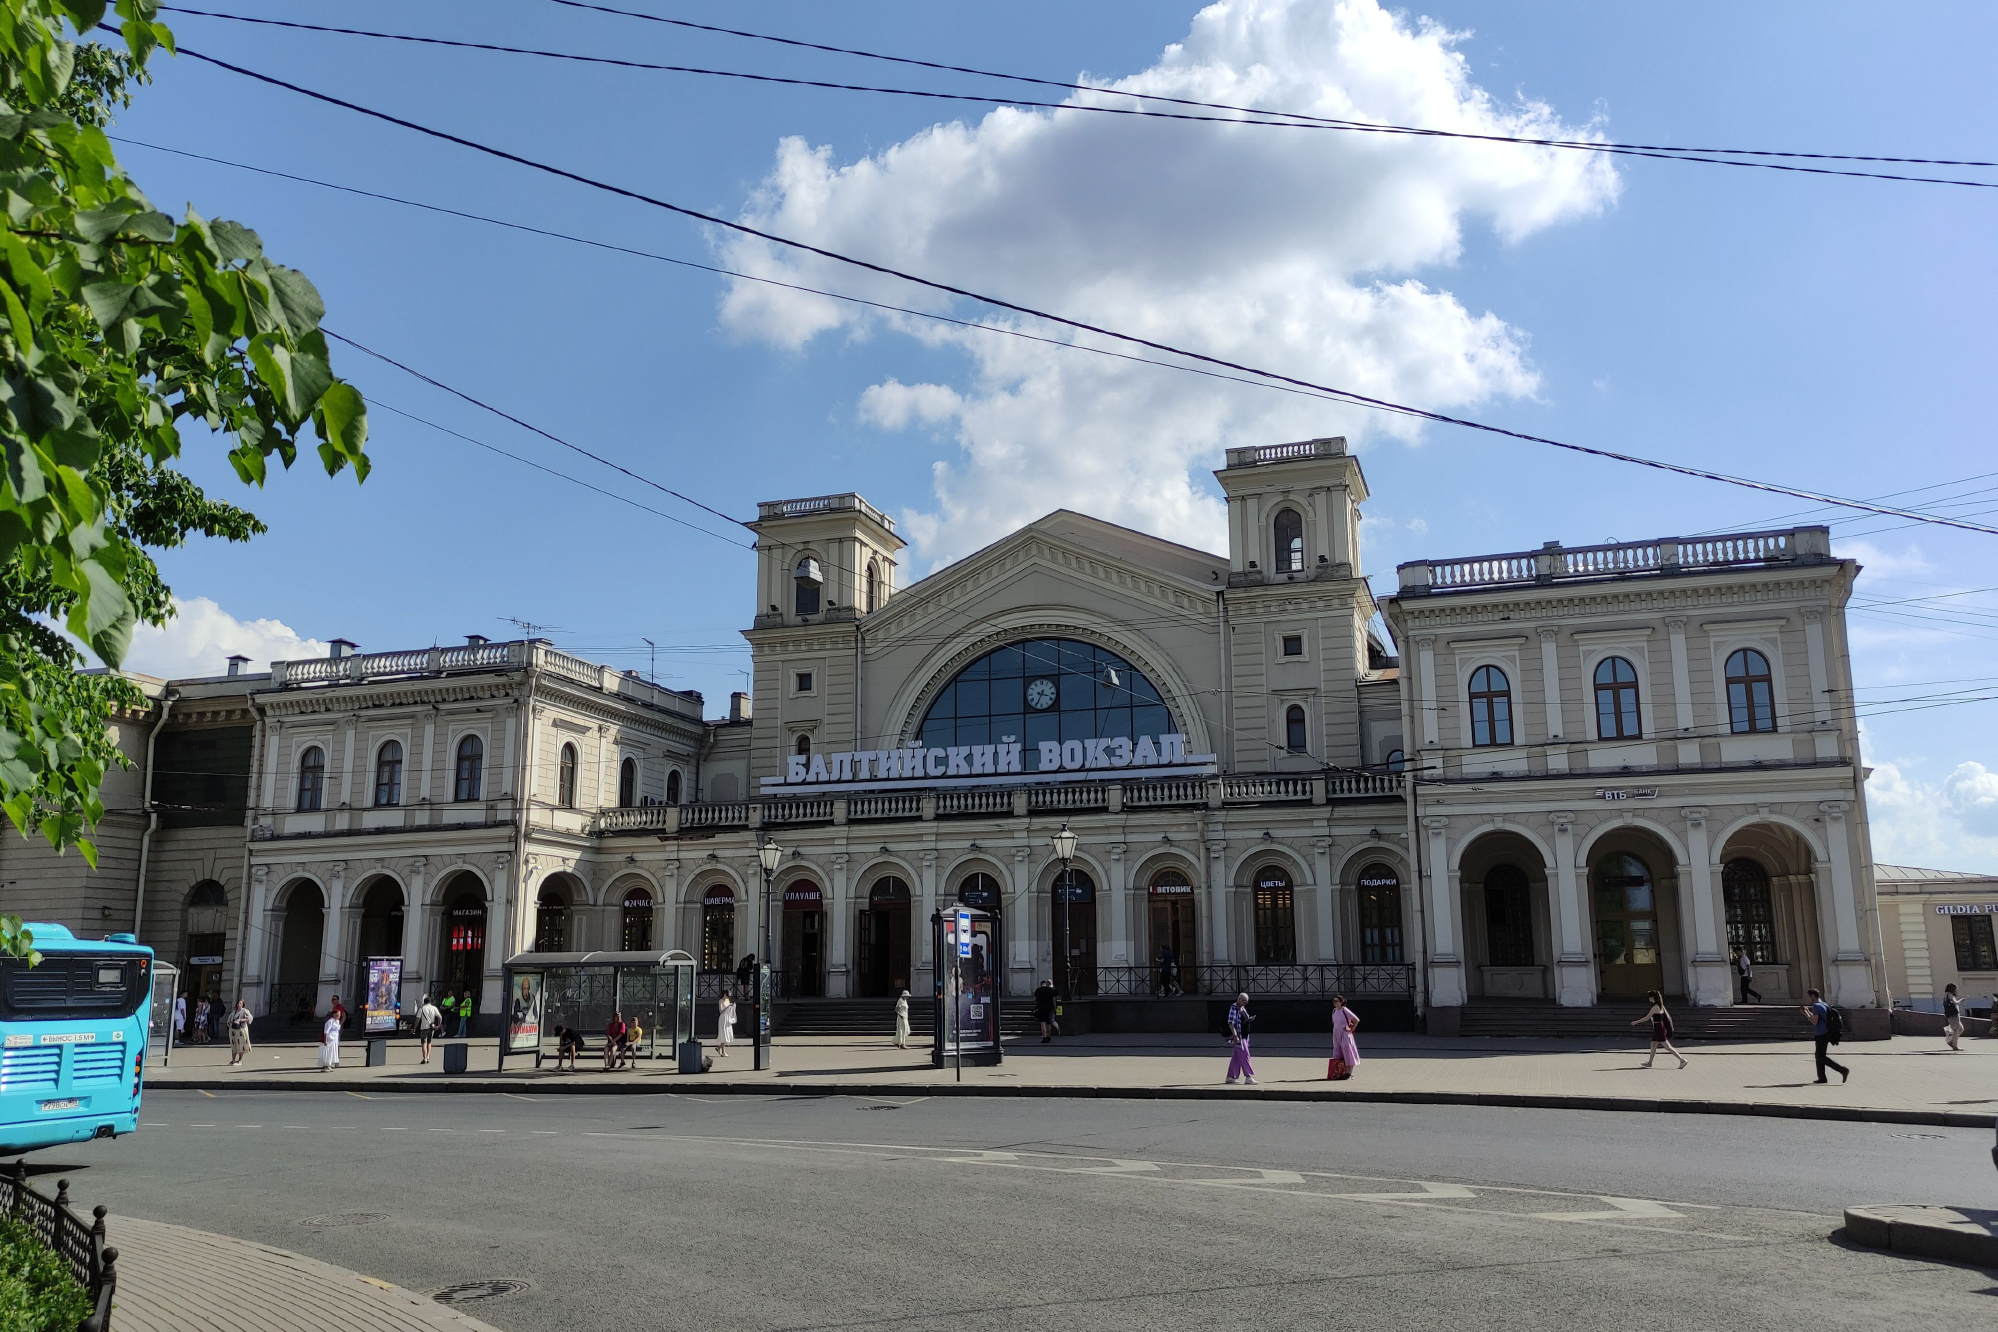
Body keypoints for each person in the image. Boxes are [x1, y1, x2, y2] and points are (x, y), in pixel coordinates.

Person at [1631, 990, 1688, 1069]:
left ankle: (1682, 1060)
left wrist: (1636, 1022)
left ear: (1652, 997)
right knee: (1653, 1044)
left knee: (1667, 1047)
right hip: (1659, 1027)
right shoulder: (1661, 1006)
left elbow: (1647, 1017)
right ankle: (1649, 1062)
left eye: (1649, 997)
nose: (1649, 999)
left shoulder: (1655, 1007)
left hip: (1659, 1028)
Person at [1802, 988, 1849, 1084]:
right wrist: (1808, 1012)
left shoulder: (1816, 1006)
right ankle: (1822, 1077)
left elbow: (1815, 1021)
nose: (1809, 999)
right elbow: (1818, 1018)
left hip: (1821, 1034)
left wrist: (1805, 1014)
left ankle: (1842, 1070)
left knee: (1820, 1057)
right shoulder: (1824, 1004)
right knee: (1819, 1056)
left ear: (1813, 996)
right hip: (1827, 1032)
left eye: (1809, 997)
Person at [1328, 994, 1361, 1080]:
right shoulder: (1334, 1011)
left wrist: (1350, 1029)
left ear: (1341, 1002)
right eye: (1333, 1001)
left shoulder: (1344, 1010)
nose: (1334, 1003)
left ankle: (1349, 1072)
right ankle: (1340, 1071)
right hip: (1336, 1034)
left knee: (1347, 1051)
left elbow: (1356, 1020)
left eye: (1336, 1001)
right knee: (1338, 1052)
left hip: (1345, 1034)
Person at [1225, 992, 1256, 1085]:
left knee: (1236, 1058)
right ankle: (1248, 1077)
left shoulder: (1242, 1008)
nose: (1245, 1003)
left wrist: (1249, 1019)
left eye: (1246, 1002)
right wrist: (1235, 1035)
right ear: (1239, 999)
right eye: (1244, 1001)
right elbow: (1231, 1023)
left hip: (1245, 1036)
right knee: (1245, 1056)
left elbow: (1243, 1020)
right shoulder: (1234, 1008)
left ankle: (1230, 1077)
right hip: (1239, 1037)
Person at [414, 994, 444, 1064]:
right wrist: (438, 1026)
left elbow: (417, 1019)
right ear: (430, 1002)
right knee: (429, 1043)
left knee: (423, 1043)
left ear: (424, 1002)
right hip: (432, 1027)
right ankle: (428, 1057)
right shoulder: (434, 1008)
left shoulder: (422, 1008)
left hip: (424, 1027)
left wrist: (414, 1028)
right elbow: (440, 1017)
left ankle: (424, 1059)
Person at [227, 998, 254, 1066]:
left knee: (241, 1045)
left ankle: (240, 1060)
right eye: (238, 1003)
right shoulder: (234, 1012)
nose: (239, 1005)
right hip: (233, 1031)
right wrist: (230, 1022)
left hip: (241, 1030)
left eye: (240, 1003)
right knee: (234, 1045)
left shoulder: (245, 1011)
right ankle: (233, 1060)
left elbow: (250, 1018)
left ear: (242, 1004)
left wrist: (241, 1020)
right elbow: (229, 1019)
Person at [1033, 977, 1059, 1044]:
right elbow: (1054, 1000)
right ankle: (1048, 1036)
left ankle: (1044, 1037)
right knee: (1048, 1023)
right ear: (1046, 984)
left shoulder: (1038, 990)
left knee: (1042, 1023)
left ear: (1041, 984)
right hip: (1049, 1008)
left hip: (1041, 1008)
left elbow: (1034, 999)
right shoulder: (1051, 990)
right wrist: (1055, 1008)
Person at [1942, 983, 1964, 1052]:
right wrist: (1961, 1000)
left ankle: (1951, 1041)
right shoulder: (1950, 994)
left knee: (1961, 1028)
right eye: (1955, 988)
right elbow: (1956, 1003)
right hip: (1953, 1015)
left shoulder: (1946, 995)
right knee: (1956, 1029)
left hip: (1950, 1015)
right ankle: (1955, 1045)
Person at [716, 989, 736, 1058]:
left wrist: (732, 1006)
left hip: (727, 1018)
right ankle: (723, 1052)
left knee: (728, 1033)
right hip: (723, 1018)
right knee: (724, 1034)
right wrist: (728, 1006)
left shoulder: (727, 1000)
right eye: (727, 995)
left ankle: (719, 1047)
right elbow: (721, 1011)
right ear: (724, 994)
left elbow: (729, 1010)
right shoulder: (721, 1001)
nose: (728, 997)